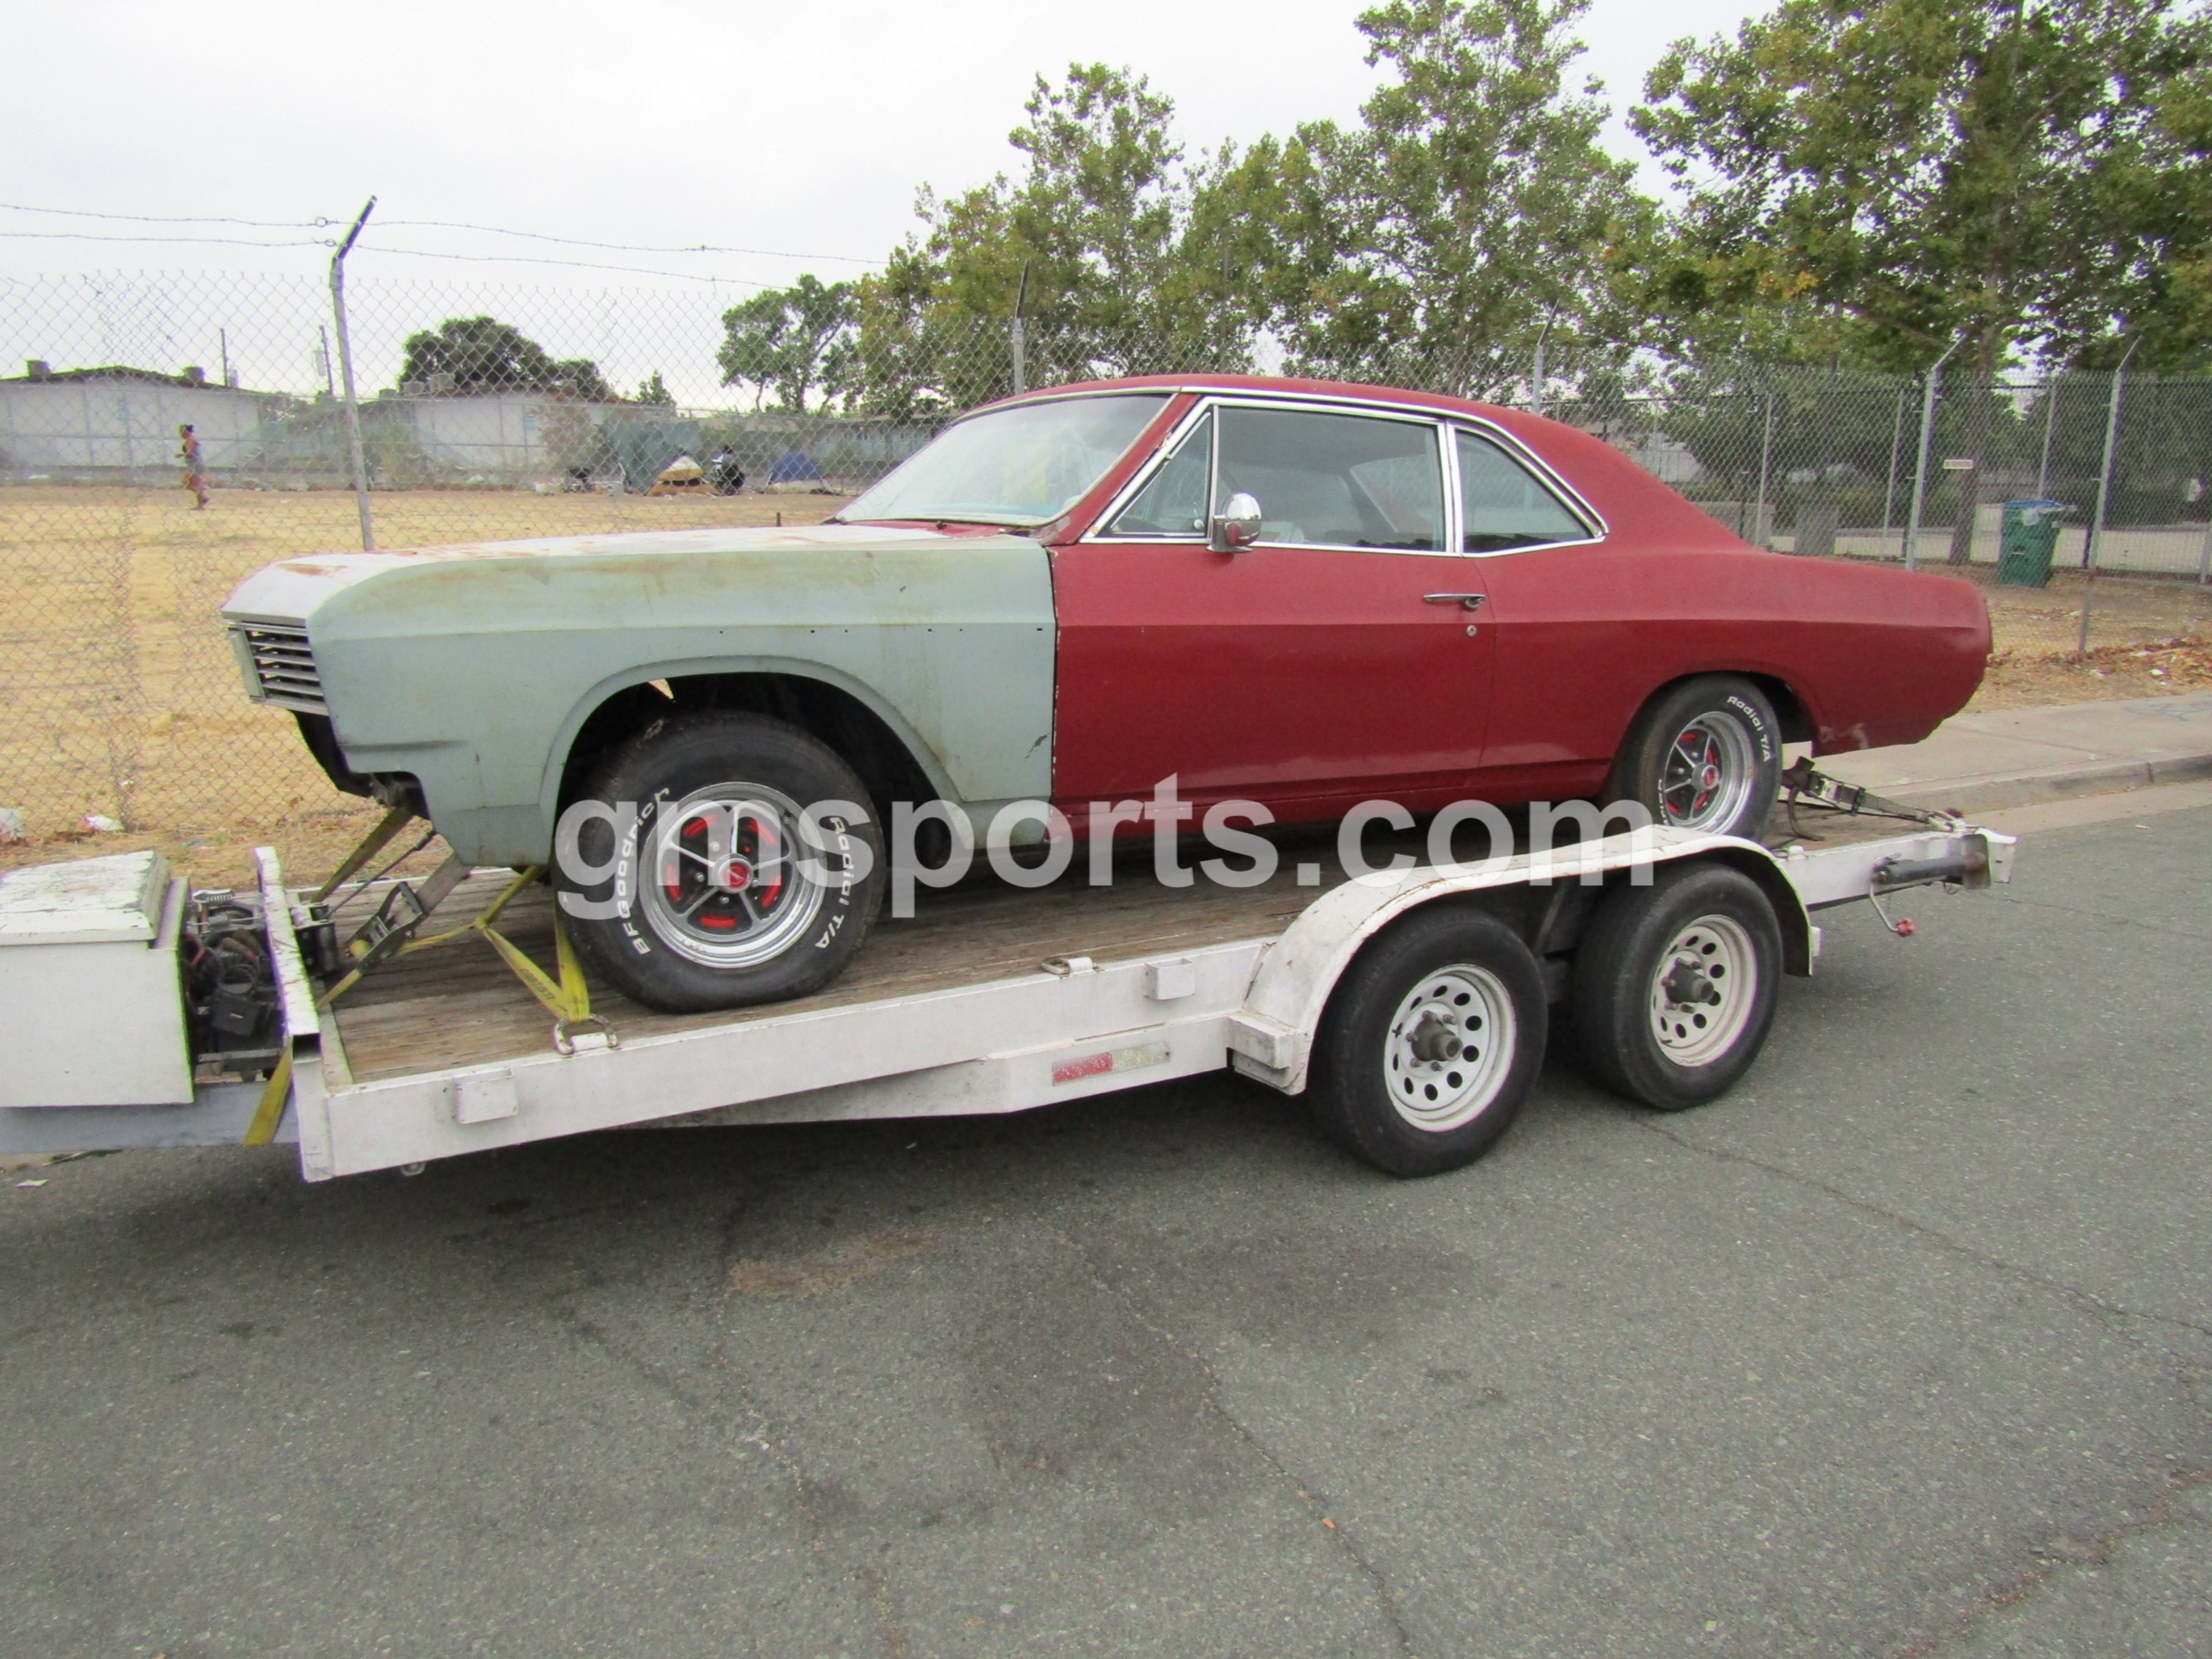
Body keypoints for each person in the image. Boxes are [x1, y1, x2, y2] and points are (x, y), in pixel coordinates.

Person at [178, 424, 210, 509]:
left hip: (196, 464)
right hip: (193, 464)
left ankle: (202, 500)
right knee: (189, 483)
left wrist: (181, 455)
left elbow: (190, 453)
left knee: (191, 483)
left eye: (181, 432)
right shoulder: (190, 440)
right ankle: (202, 499)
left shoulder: (191, 440)